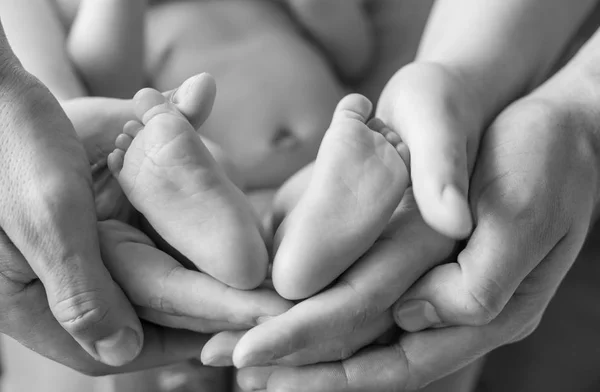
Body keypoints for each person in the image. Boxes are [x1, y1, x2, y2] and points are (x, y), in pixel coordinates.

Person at [201, 3, 600, 392]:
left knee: (392, 297)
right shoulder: (153, 27)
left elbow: (354, 50)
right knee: (264, 264)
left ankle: (327, 212)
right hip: (255, 184)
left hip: (319, 164)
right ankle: (296, 225)